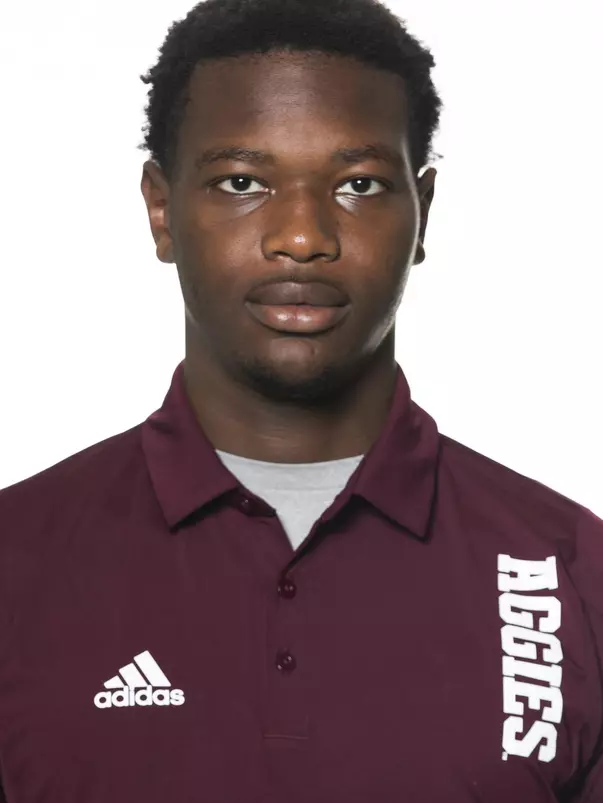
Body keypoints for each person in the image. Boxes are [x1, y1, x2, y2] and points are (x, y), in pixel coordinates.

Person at [0, 0, 601, 800]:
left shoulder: (570, 573)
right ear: (161, 208)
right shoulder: (17, 565)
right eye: (241, 181)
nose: (301, 234)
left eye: (358, 184)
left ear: (421, 212)